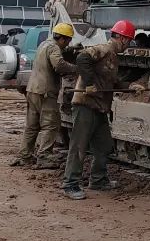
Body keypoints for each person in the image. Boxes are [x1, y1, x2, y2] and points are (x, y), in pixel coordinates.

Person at [61, 20, 135, 200]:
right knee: (79, 146)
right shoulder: (104, 49)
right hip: (86, 104)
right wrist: (89, 83)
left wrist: (131, 86)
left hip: (99, 107)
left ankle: (98, 179)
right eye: (129, 40)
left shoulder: (113, 58)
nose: (129, 45)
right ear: (122, 38)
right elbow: (82, 58)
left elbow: (111, 83)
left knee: (104, 146)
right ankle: (70, 184)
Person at [12, 23, 78, 168]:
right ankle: (44, 156)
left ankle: (24, 156)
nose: (67, 43)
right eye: (68, 41)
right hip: (46, 92)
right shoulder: (54, 48)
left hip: (33, 89)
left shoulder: (44, 44)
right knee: (51, 124)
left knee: (32, 125)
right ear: (63, 38)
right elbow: (59, 65)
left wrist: (70, 51)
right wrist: (76, 69)